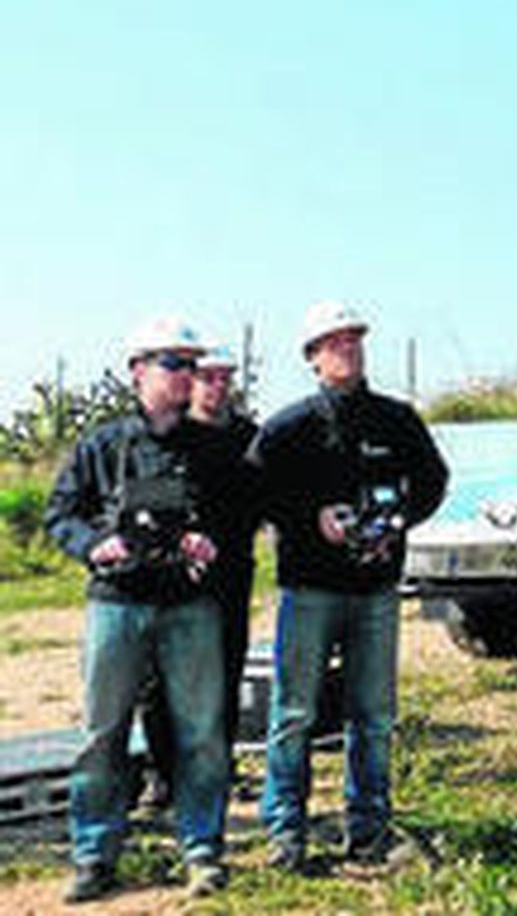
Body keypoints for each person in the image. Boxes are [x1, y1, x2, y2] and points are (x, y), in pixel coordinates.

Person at [248, 301, 448, 871]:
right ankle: (286, 834)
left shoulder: (397, 420)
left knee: (374, 714)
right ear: (312, 357)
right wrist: (310, 519)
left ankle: (369, 830)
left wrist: (398, 521)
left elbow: (433, 480)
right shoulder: (288, 428)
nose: (348, 349)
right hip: (309, 589)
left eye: (354, 339)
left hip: (374, 590)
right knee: (294, 713)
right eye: (334, 342)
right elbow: (255, 491)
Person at [44, 316, 237, 903]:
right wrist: (93, 544)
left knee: (201, 733)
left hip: (189, 607)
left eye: (192, 365)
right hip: (117, 605)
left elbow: (235, 518)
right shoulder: (102, 446)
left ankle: (203, 850)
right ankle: (94, 855)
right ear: (138, 371)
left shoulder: (213, 450)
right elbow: (59, 515)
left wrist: (210, 542)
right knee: (103, 733)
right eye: (174, 364)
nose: (188, 375)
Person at [139, 344, 259, 798]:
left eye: (226, 377)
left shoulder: (251, 438)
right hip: (172, 572)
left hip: (231, 572)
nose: (217, 385)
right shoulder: (170, 435)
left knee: (225, 670)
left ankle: (218, 767)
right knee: (160, 675)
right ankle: (162, 773)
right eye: (209, 376)